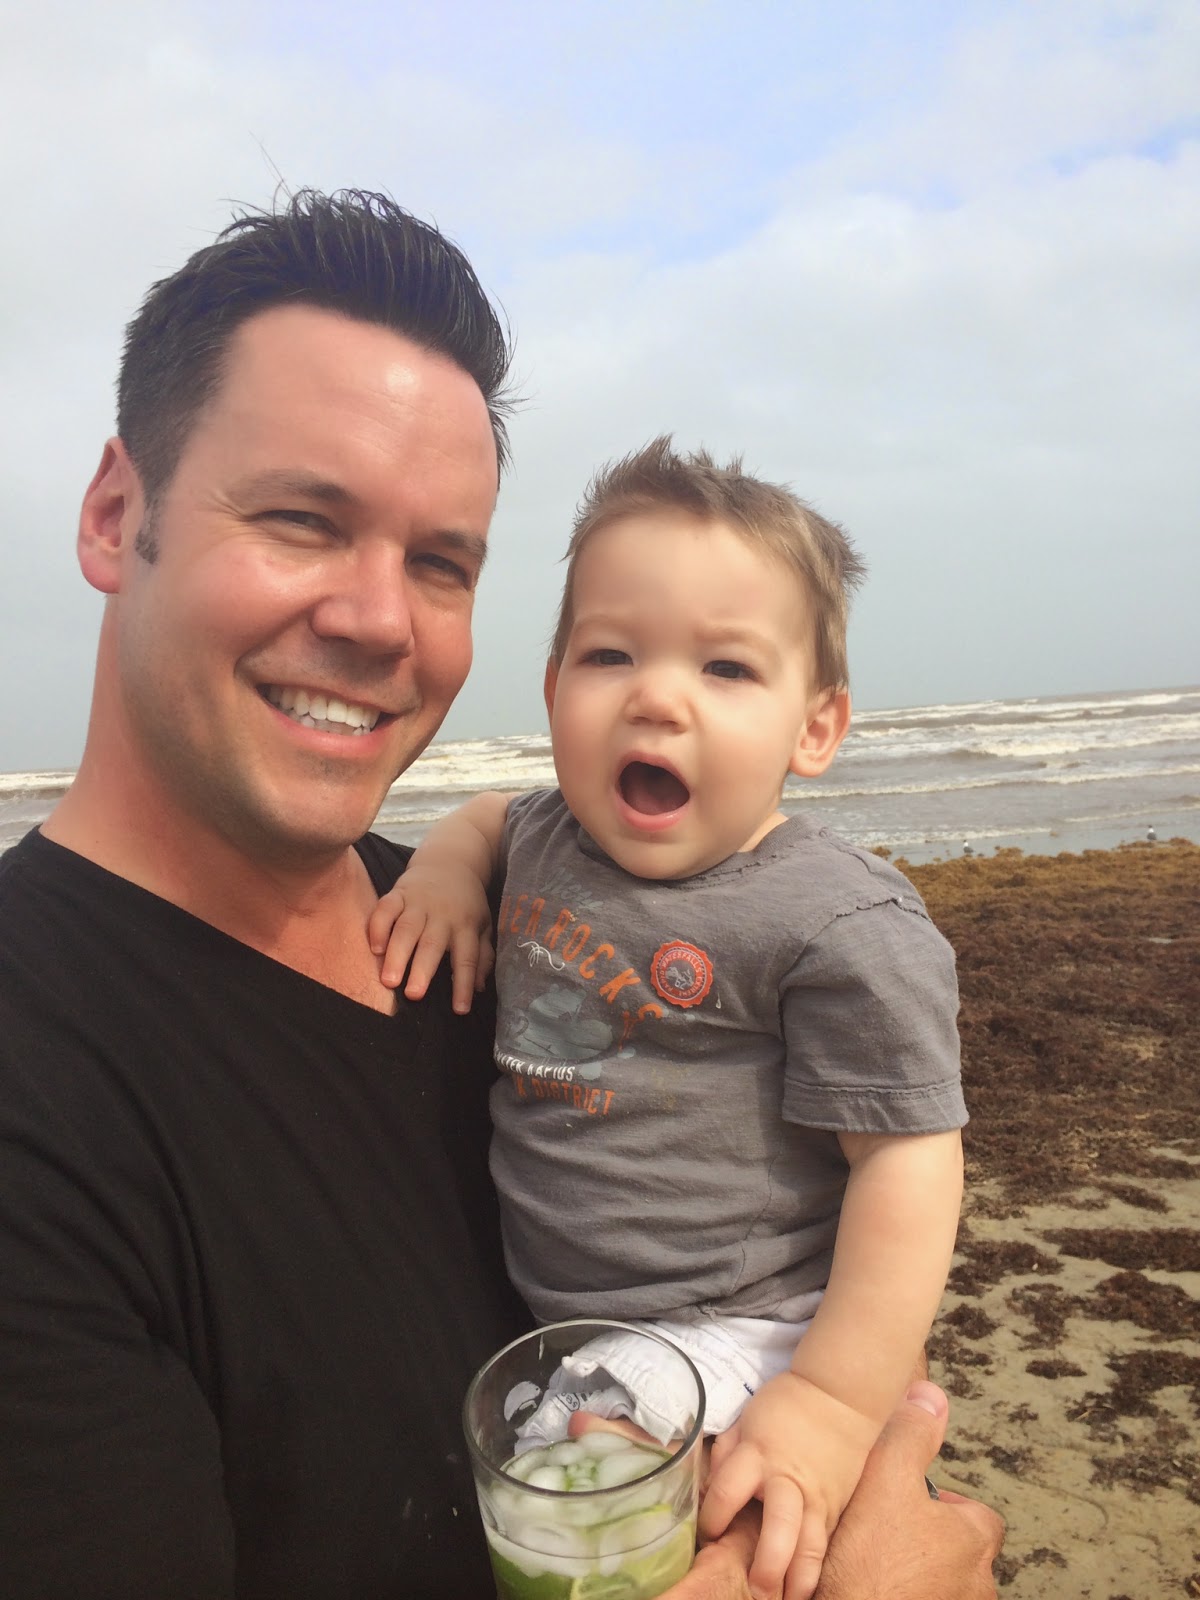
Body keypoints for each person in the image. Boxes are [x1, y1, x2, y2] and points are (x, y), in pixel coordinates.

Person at [0, 189, 1002, 1599]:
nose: (377, 619)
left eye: (439, 563)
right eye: (301, 519)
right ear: (118, 514)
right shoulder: (43, 1083)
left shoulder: (509, 935)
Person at [375, 441, 967, 1600]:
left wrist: (833, 1401)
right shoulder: (544, 837)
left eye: (728, 667)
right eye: (610, 654)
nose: (656, 696)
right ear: (553, 686)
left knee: (588, 1483)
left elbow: (909, 1161)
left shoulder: (833, 920)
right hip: (585, 1313)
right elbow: (492, 813)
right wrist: (445, 868)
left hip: (748, 1323)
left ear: (816, 728)